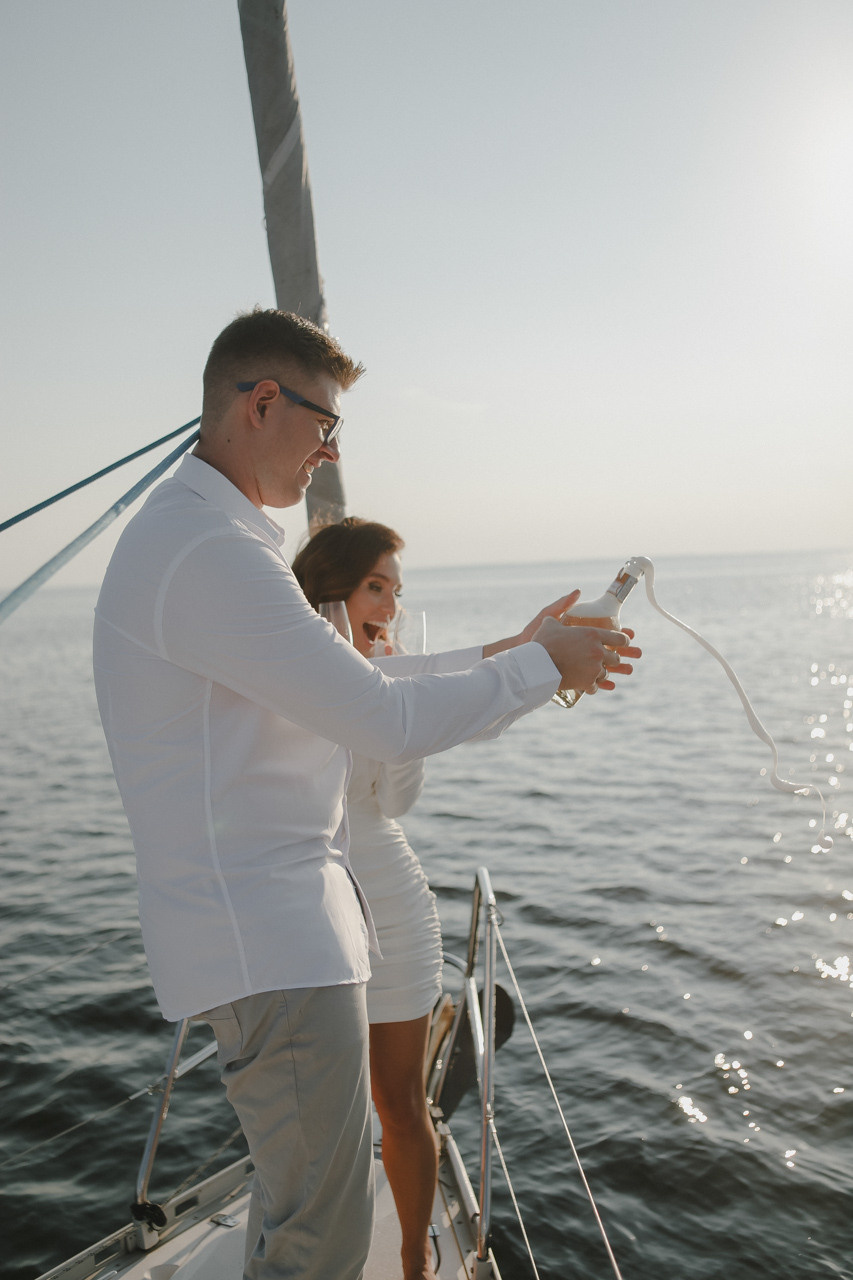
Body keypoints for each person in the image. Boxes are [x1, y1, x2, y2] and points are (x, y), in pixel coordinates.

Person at [92, 307, 639, 1280]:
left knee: (308, 1222)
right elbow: (381, 717)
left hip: (275, 938)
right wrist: (540, 669)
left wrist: (520, 652)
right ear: (264, 401)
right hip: (271, 943)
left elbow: (369, 682)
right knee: (322, 1245)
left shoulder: (210, 537)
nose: (330, 450)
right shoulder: (212, 551)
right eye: (324, 422)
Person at [293, 518, 443, 1280]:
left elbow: (395, 803)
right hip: (312, 905)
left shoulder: (391, 676)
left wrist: (402, 704)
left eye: (395, 591)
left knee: (399, 1102)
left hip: (390, 898)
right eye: (375, 586)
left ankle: (416, 1259)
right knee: (326, 1119)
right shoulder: (283, 669)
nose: (388, 603)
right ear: (332, 591)